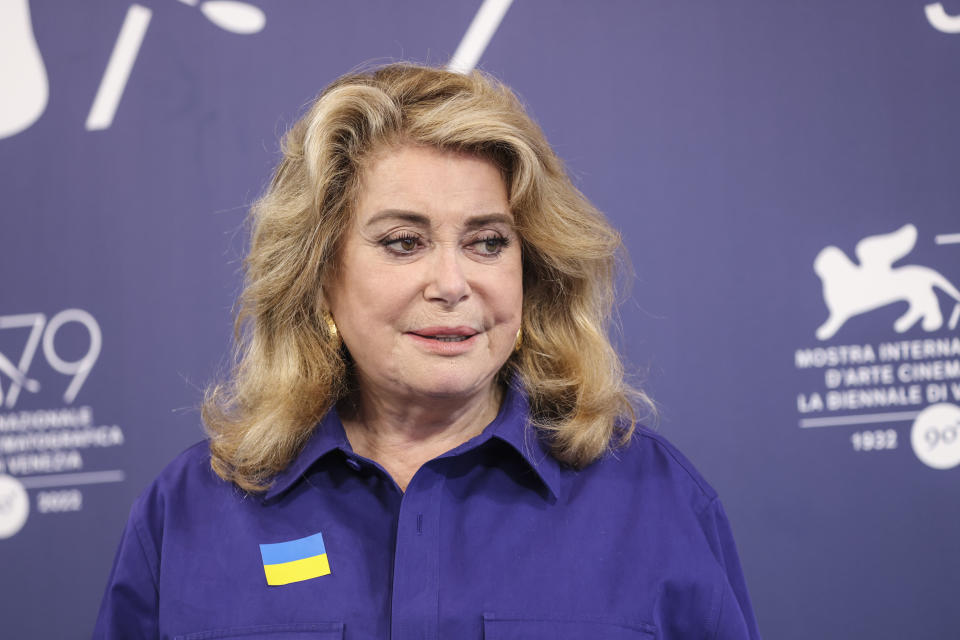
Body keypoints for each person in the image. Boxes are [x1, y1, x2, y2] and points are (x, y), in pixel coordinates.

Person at [93, 63, 761, 639]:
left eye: (488, 242)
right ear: (321, 275)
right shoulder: (189, 512)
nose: (452, 283)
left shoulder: (654, 501)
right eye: (403, 242)